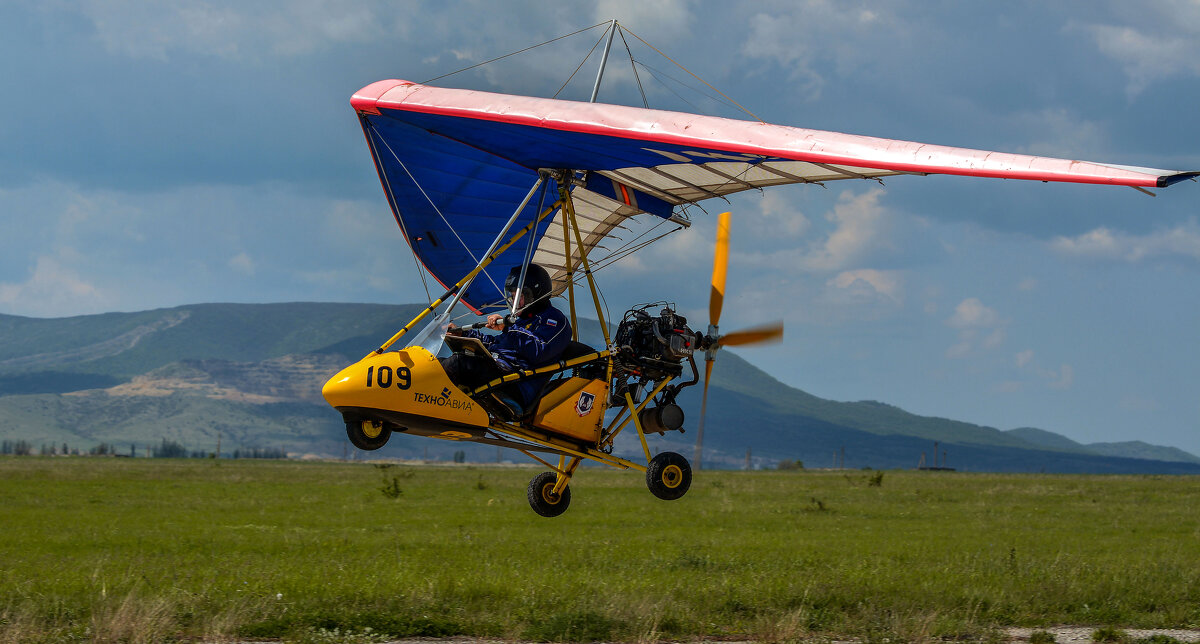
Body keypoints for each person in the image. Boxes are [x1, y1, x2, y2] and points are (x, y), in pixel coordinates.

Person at [442, 263, 571, 413]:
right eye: (512, 297)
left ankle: (434, 404)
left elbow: (539, 351)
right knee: (439, 363)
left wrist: (508, 328)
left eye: (520, 297)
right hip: (500, 374)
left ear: (536, 294)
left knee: (459, 363)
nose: (515, 303)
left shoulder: (554, 320)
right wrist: (463, 335)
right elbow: (498, 344)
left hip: (516, 385)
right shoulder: (521, 321)